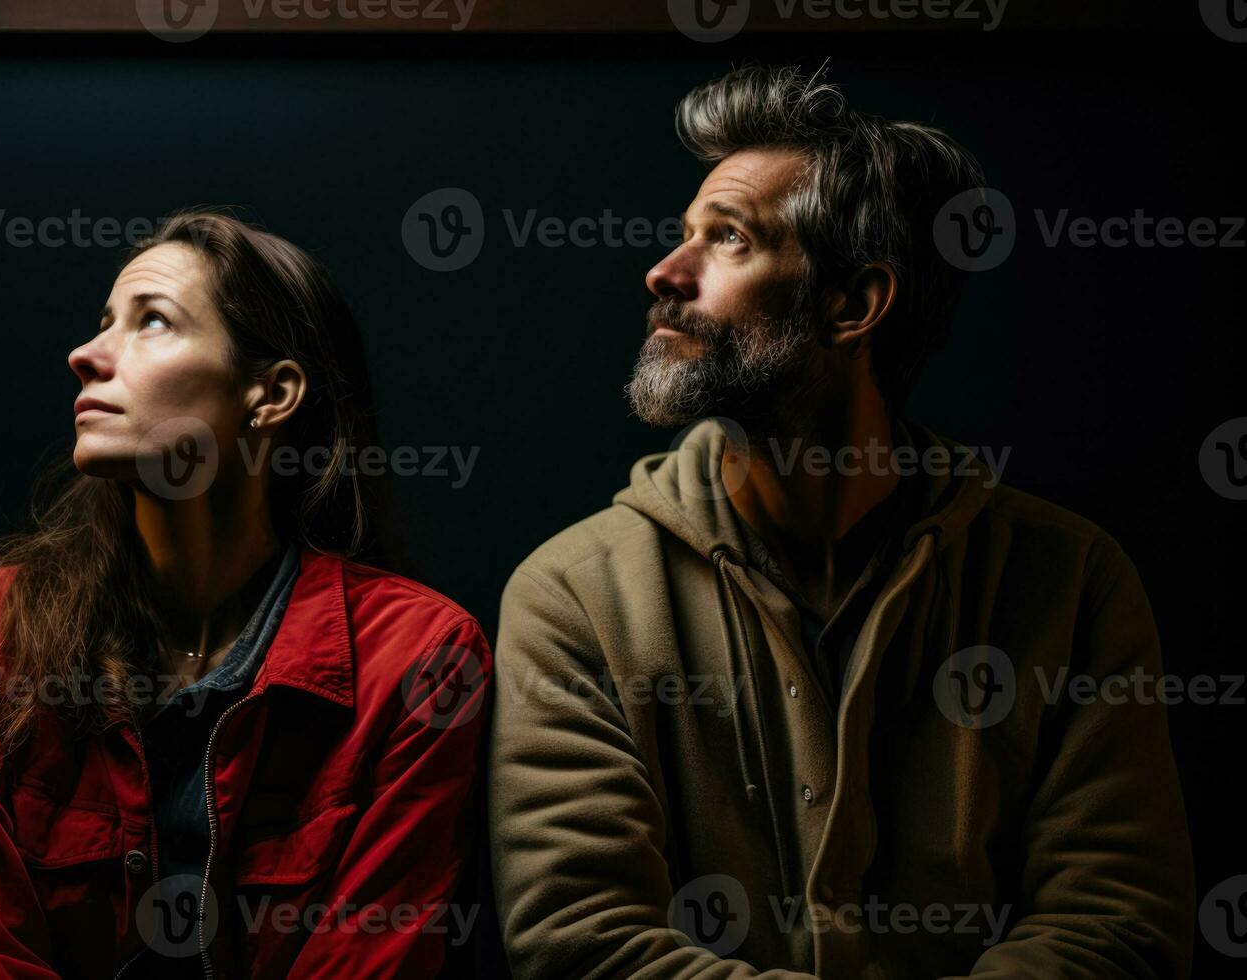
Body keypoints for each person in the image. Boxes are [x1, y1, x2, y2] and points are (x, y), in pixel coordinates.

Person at [488, 64, 1193, 978]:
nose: (664, 271)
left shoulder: (1069, 581)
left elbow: (1119, 927)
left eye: (728, 239)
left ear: (852, 305)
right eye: (682, 237)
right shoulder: (575, 596)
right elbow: (581, 943)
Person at [0, 210, 491, 979]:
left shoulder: (416, 662)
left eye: (153, 322)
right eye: (103, 323)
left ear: (270, 394)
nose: (85, 355)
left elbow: (373, 960)